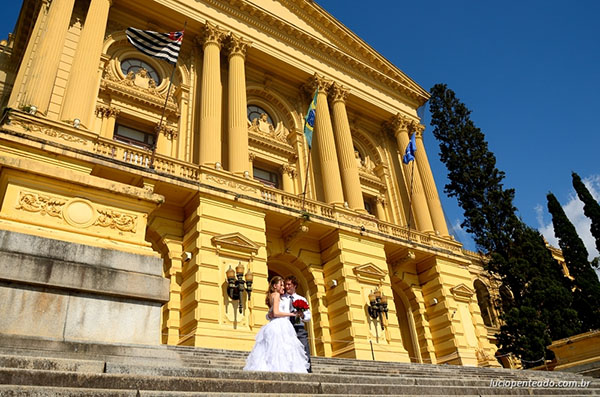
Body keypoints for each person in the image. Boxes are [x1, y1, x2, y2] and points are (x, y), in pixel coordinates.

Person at [243, 276, 309, 373]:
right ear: (275, 286)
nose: (284, 287)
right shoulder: (278, 296)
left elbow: (272, 312)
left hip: (283, 325)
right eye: (282, 285)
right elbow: (275, 313)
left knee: (278, 350)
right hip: (281, 325)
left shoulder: (274, 295)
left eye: (286, 285)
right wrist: (292, 314)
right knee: (281, 349)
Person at [284, 275, 312, 373]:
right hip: (286, 327)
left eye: (289, 284)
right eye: (285, 284)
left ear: (295, 285)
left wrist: (302, 315)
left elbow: (309, 317)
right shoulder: (282, 298)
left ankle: (308, 370)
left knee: (304, 349)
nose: (286, 286)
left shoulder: (302, 299)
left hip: (299, 327)